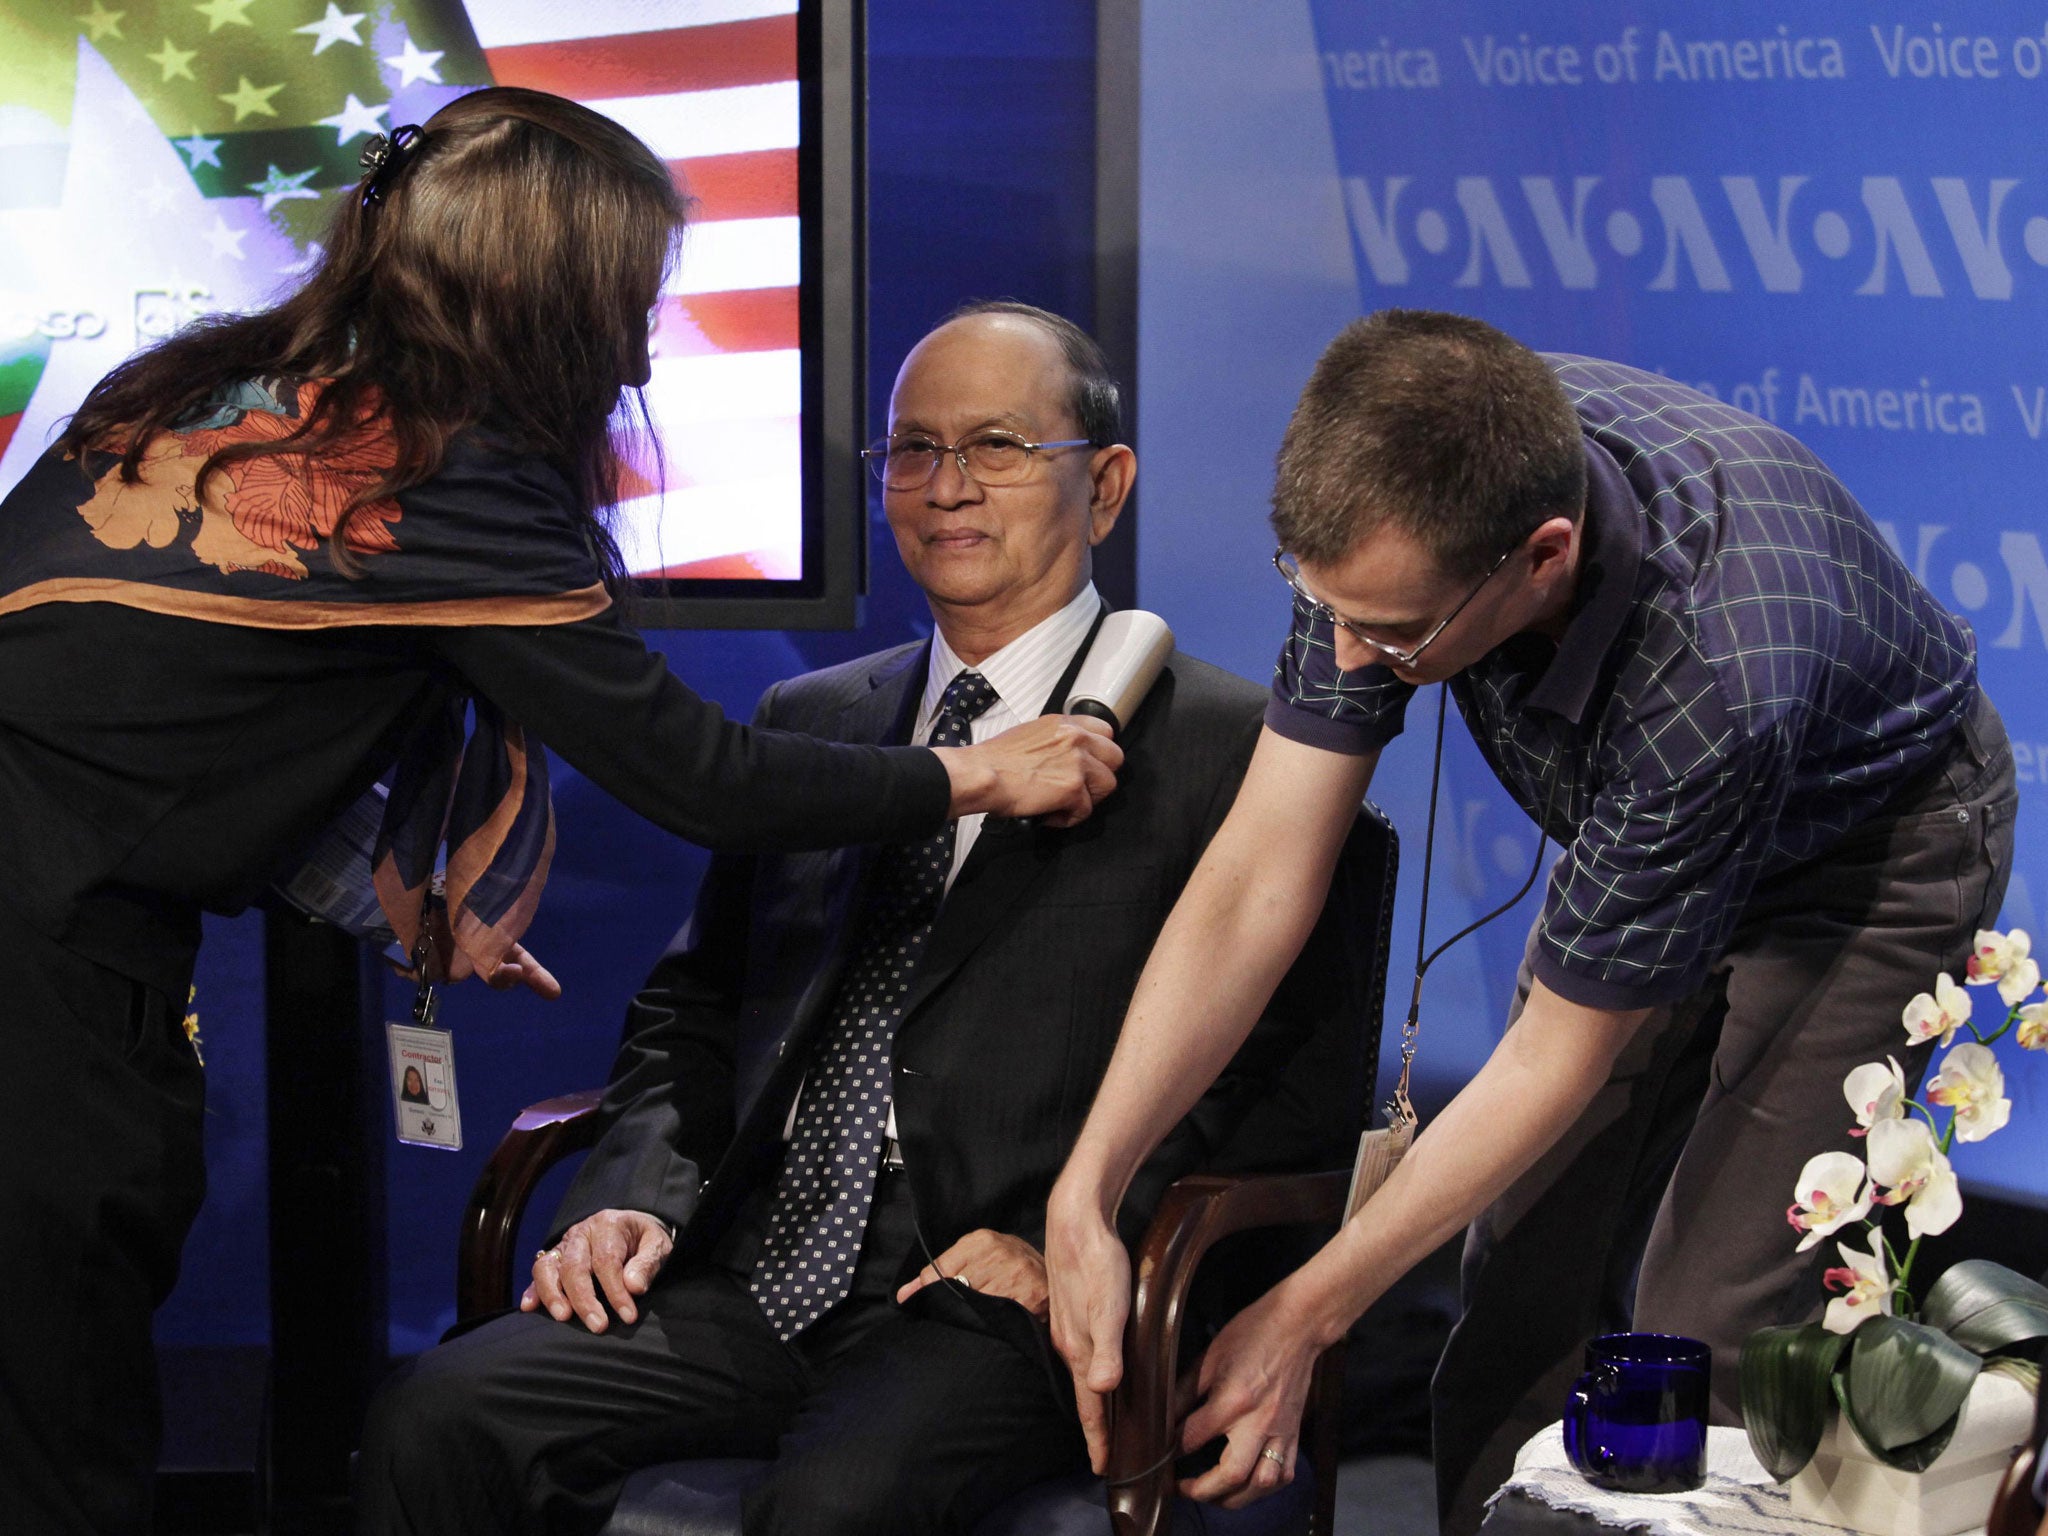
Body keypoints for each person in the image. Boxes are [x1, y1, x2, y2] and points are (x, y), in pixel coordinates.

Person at [0, 91, 1120, 1536]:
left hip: (53, 929)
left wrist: (383, 894)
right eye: (627, 302)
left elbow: (143, 718)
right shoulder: (446, 467)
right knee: (52, 1453)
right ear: (543, 295)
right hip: (41, 996)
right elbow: (703, 780)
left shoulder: (205, 391)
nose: (641, 350)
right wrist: (979, 770)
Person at [355, 302, 1378, 1536]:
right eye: (912, 450)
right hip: (754, 1264)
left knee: (837, 1507)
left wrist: (1074, 1229)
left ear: (1102, 488)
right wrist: (626, 1194)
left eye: (997, 446)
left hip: (1002, 1287)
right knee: (440, 1416)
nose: (946, 487)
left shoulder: (1235, 757)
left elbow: (1284, 1085)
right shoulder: (809, 720)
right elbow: (695, 1005)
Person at [1043, 309, 2017, 1531]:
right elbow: (1257, 877)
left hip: (1860, 862)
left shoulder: (1708, 670)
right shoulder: (1392, 508)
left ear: (1541, 557)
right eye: (1324, 605)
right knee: (1516, 1304)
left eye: (1392, 636)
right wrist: (1088, 1185)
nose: (1347, 652)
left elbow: (1559, 1052)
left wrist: (1303, 1312)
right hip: (1650, 817)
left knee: (1699, 1336)